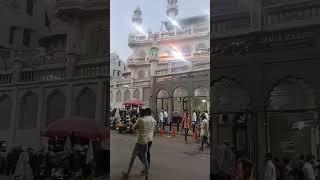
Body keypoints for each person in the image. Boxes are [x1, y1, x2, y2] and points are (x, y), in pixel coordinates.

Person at [122, 108, 155, 180]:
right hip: (147, 141)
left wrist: (137, 130)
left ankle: (127, 174)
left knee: (132, 158)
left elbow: (133, 128)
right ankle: (146, 175)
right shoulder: (151, 120)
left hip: (140, 142)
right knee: (145, 157)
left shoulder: (140, 120)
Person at [137, 108, 157, 175]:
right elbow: (153, 130)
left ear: (146, 113)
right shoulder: (154, 120)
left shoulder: (144, 119)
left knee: (139, 152)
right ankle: (147, 167)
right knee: (147, 152)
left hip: (144, 138)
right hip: (150, 139)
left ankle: (146, 165)